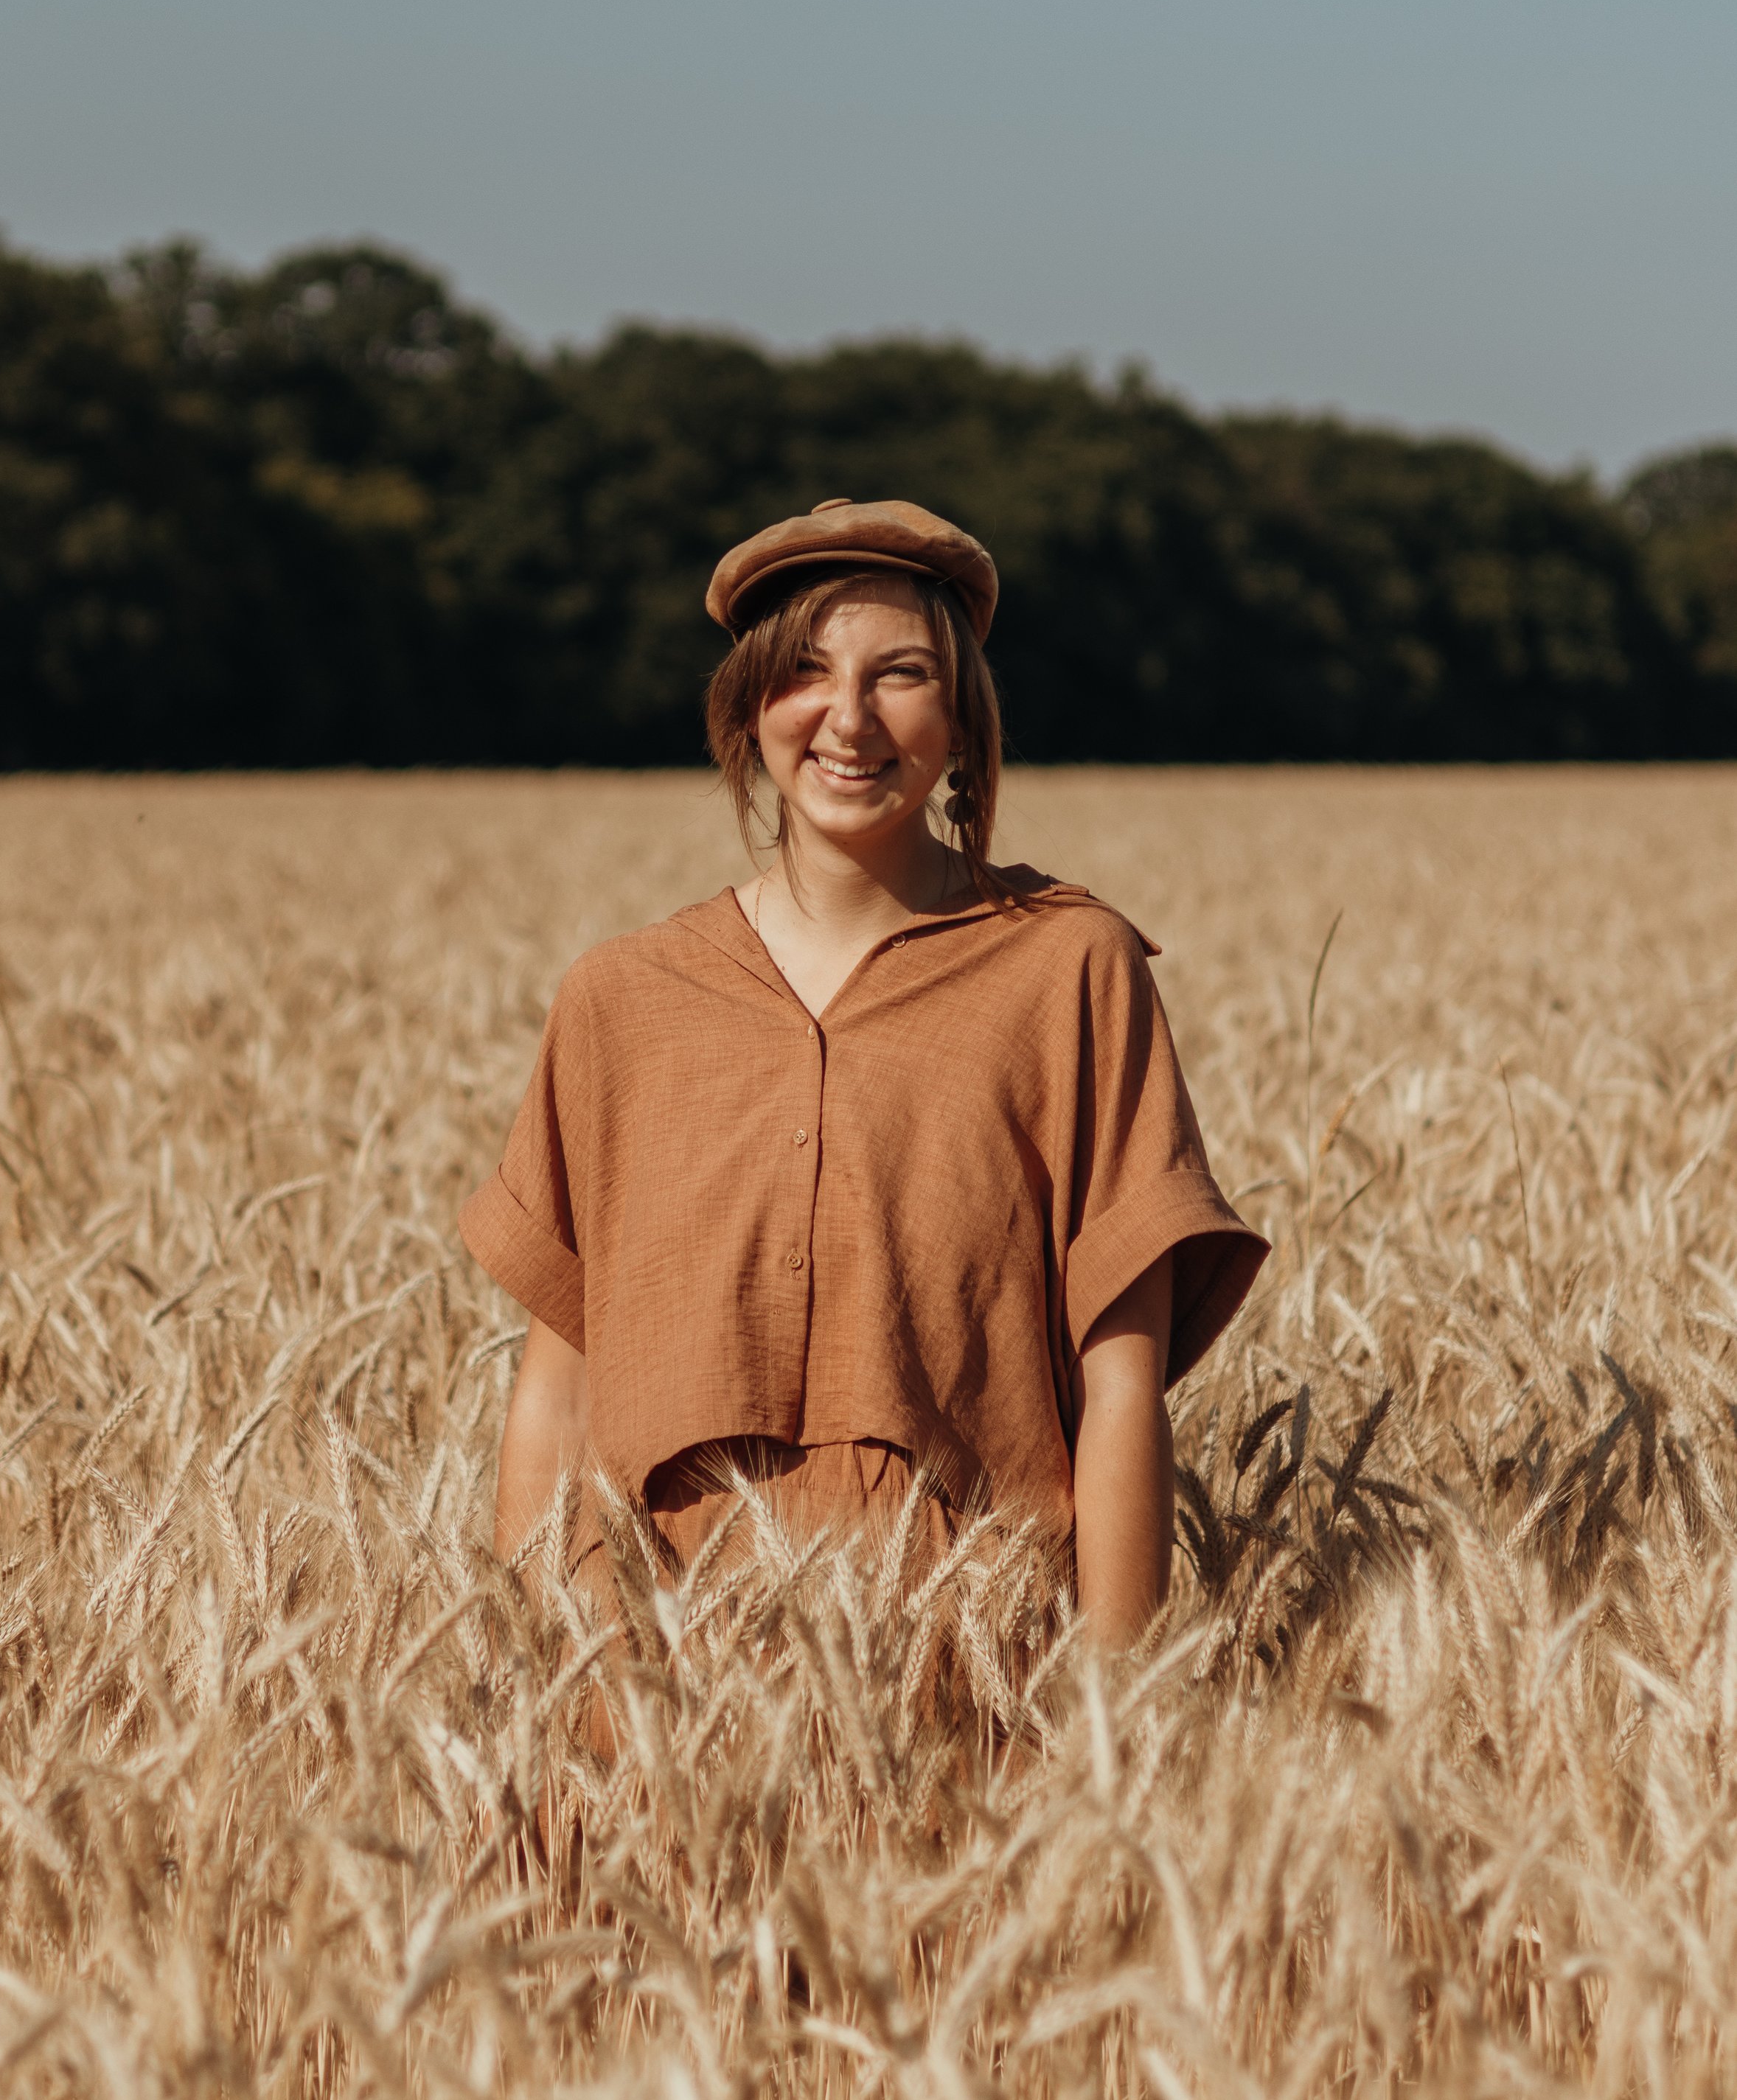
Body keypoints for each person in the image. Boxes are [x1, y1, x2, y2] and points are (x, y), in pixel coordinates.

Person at [459, 498, 1267, 1644]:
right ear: (749, 707)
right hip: (652, 1691)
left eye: (900, 675)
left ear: (961, 717)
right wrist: (548, 1686)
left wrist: (1112, 1717)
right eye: (805, 672)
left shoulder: (1069, 968)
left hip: (965, 1676)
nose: (850, 718)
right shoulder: (621, 997)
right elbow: (558, 1388)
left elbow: (1121, 1379)